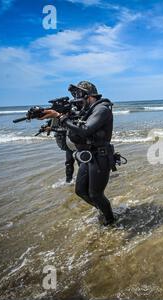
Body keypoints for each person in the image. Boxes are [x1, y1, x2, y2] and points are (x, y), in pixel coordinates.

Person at [40, 81, 116, 226]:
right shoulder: (87, 111)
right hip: (88, 155)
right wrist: (57, 118)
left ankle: (111, 221)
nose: (76, 100)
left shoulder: (102, 109)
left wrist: (61, 117)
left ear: (89, 96)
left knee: (96, 194)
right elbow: (74, 129)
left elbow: (86, 130)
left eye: (78, 96)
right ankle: (104, 210)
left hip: (100, 156)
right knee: (80, 190)